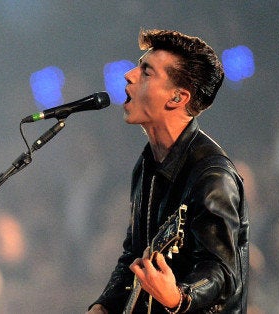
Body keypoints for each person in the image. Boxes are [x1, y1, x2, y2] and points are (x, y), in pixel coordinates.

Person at [87, 29, 249, 313]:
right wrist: (104, 306)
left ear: (177, 97)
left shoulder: (212, 175)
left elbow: (221, 271)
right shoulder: (147, 164)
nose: (129, 75)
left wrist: (178, 297)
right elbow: (133, 256)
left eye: (146, 72)